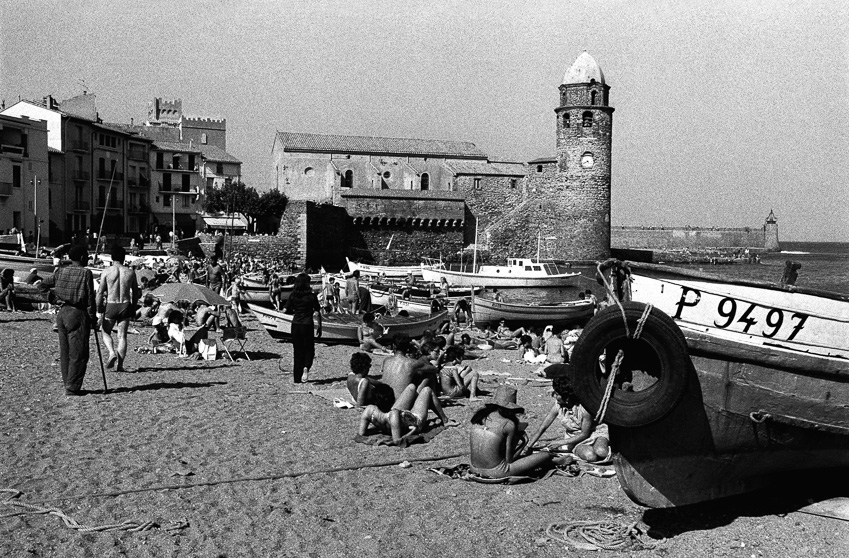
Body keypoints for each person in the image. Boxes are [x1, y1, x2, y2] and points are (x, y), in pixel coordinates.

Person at [469, 386, 568, 479]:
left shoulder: (479, 418)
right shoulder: (508, 424)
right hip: (497, 472)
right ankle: (556, 460)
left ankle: (551, 461)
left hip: (474, 468)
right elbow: (509, 460)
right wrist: (524, 442)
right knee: (545, 455)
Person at [38, 245, 97, 396]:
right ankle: (72, 387)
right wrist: (92, 318)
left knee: (65, 352)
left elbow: (42, 285)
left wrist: (52, 299)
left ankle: (68, 383)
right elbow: (90, 299)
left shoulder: (61, 271)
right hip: (77, 313)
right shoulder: (86, 273)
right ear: (83, 258)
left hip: (62, 313)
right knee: (78, 353)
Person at [524, 374, 610, 461]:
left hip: (595, 433)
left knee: (601, 451)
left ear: (567, 397)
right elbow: (543, 427)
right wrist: (528, 446)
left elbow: (585, 434)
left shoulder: (584, 409)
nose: (555, 396)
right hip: (574, 439)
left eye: (557, 394)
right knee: (591, 456)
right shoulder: (558, 406)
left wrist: (560, 443)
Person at [96, 245, 141, 372]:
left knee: (105, 331)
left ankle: (111, 352)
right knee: (122, 336)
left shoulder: (106, 272)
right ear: (124, 258)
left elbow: (100, 292)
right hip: (125, 304)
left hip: (111, 304)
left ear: (111, 257)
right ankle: (120, 366)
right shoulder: (130, 272)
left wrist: (98, 307)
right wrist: (133, 307)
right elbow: (136, 293)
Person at [283, 272, 322, 383]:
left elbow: (285, 310)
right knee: (309, 349)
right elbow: (317, 312)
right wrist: (320, 327)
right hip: (307, 324)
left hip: (295, 325)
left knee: (297, 351)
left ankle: (297, 378)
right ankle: (306, 367)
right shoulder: (312, 296)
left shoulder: (293, 295)